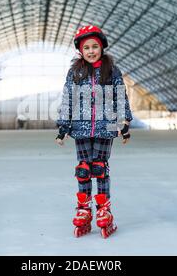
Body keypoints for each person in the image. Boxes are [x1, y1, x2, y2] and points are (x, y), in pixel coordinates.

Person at [55, 25, 132, 238]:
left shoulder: (111, 71)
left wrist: (125, 123)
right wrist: (63, 126)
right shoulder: (75, 72)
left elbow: (120, 96)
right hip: (80, 128)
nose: (90, 51)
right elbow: (67, 98)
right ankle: (84, 209)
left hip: (105, 127)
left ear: (102, 47)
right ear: (80, 50)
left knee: (99, 168)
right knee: (83, 169)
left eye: (94, 46)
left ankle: (104, 210)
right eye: (86, 47)